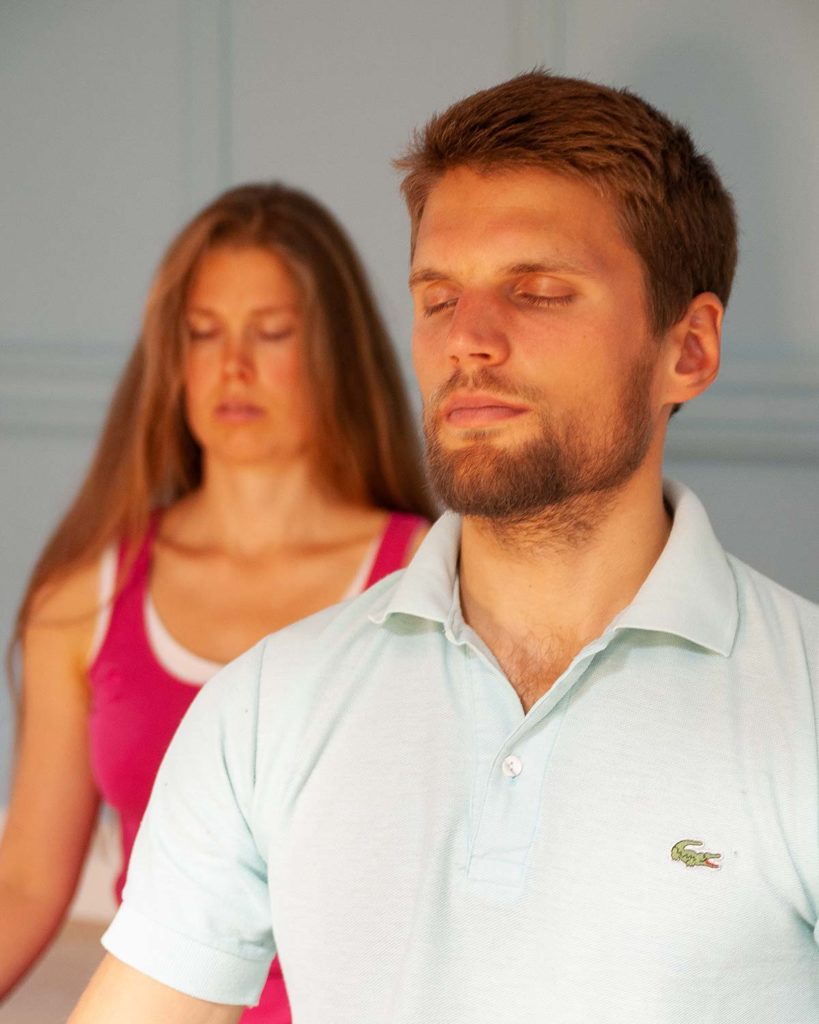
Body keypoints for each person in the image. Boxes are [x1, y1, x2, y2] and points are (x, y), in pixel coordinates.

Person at [69, 72, 819, 1024]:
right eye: (435, 298)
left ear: (689, 349)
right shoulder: (264, 711)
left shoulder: (803, 710)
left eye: (538, 292)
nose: (468, 339)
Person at [0, 182, 432, 1019]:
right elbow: (24, 878)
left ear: (334, 353)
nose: (232, 366)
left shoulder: (428, 578)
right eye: (203, 334)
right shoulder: (85, 594)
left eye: (270, 333)